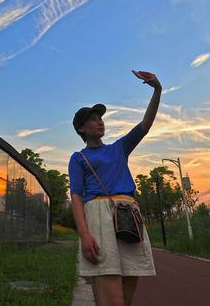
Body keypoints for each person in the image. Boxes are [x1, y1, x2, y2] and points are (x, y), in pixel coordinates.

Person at [68, 70, 161, 306]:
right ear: (81, 129)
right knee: (113, 299)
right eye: (92, 119)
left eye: (100, 117)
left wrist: (157, 90)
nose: (99, 121)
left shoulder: (119, 148)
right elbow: (76, 196)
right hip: (98, 215)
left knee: (127, 295)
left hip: (129, 215)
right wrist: (84, 234)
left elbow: (145, 125)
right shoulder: (79, 157)